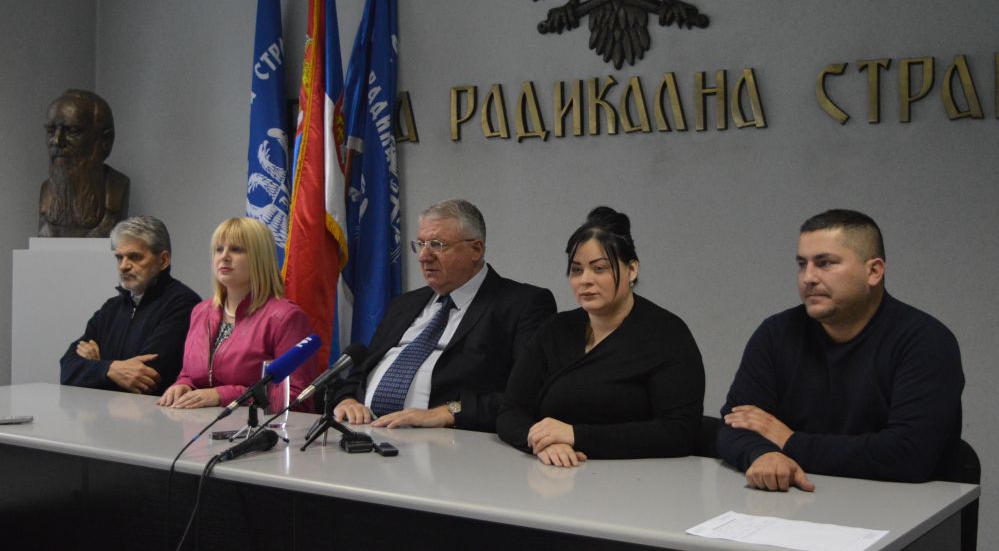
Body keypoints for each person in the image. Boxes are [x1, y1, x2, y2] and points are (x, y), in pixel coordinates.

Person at [718, 209, 965, 492]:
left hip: (901, 506)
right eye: (802, 264)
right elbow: (733, 425)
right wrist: (763, 454)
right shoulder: (776, 333)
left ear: (874, 271)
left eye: (825, 263)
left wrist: (789, 442)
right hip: (798, 500)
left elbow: (908, 455)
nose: (808, 277)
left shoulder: (925, 341)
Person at [497, 207, 705, 467]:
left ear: (631, 270)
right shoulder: (555, 329)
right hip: (557, 475)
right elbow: (510, 411)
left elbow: (678, 432)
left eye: (599, 269)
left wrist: (575, 435)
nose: (585, 280)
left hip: (641, 479)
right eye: (576, 270)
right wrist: (542, 442)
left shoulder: (667, 334)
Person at [331, 199, 556, 431]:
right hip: (363, 432)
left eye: (437, 245)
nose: (423, 256)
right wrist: (347, 399)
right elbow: (360, 372)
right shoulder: (404, 304)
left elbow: (528, 394)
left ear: (476, 250)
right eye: (420, 244)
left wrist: (450, 412)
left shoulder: (523, 304)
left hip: (448, 441)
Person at [157, 217, 317, 410]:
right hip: (196, 423)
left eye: (236, 249)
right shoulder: (201, 311)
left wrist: (224, 395)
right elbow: (189, 374)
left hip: (253, 426)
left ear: (260, 257)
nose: (224, 257)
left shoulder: (285, 317)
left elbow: (297, 397)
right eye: (219, 249)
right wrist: (182, 385)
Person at [60, 216, 200, 395]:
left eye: (135, 257)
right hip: (103, 410)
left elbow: (147, 378)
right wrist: (109, 369)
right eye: (119, 258)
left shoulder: (183, 305)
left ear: (163, 260)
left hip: (155, 411)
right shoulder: (111, 308)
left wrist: (96, 365)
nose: (123, 266)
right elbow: (67, 368)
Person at [39, 89, 130, 237]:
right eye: (51, 131)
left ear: (105, 140)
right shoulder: (46, 190)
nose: (57, 140)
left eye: (72, 130)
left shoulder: (117, 187)